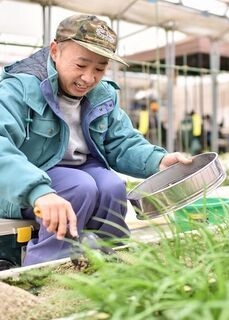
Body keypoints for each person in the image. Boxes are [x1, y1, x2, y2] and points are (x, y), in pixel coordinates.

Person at [0, 14, 191, 266]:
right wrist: (38, 191)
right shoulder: (20, 88)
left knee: (111, 185)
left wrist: (159, 160)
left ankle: (110, 264)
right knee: (79, 187)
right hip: (25, 182)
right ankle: (46, 271)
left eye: (100, 69)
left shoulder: (103, 94)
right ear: (55, 51)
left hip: (78, 172)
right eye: (80, 65)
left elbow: (122, 141)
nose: (89, 78)